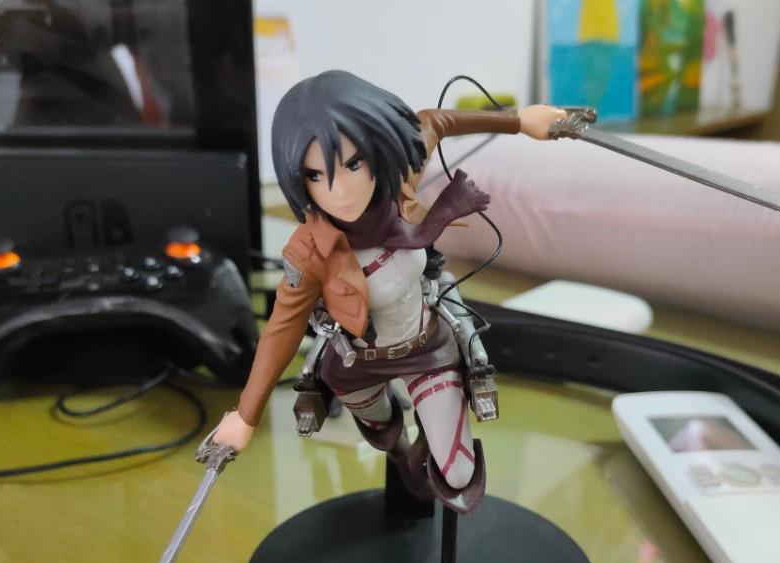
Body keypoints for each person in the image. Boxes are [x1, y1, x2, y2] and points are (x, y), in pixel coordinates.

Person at [214, 70, 566, 511]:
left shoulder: (398, 186)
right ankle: (402, 452)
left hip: (426, 347)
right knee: (384, 432)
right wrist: (245, 416)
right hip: (357, 363)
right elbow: (281, 329)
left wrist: (520, 120)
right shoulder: (308, 251)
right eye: (315, 175)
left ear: (376, 151)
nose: (339, 191)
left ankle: (425, 445)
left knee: (457, 476)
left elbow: (434, 121)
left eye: (353, 164)